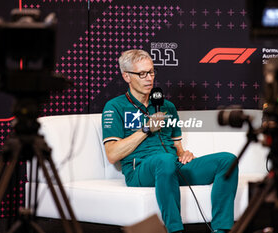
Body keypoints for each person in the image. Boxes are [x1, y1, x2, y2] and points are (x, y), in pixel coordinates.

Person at [101, 49, 238, 233]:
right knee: (164, 161)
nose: (149, 78)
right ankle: (175, 230)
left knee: (227, 160)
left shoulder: (167, 106)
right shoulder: (115, 106)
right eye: (142, 74)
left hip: (172, 166)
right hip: (140, 170)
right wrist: (146, 129)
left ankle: (222, 230)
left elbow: (178, 148)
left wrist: (184, 154)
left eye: (151, 72)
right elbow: (112, 154)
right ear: (126, 76)